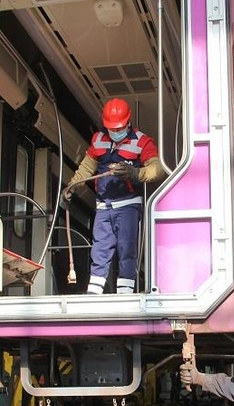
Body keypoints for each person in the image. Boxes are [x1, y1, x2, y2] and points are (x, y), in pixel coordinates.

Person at [65, 98, 164, 294]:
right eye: (111, 128)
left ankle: (125, 293)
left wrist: (136, 174)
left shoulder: (142, 141)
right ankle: (94, 292)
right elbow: (87, 167)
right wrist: (72, 186)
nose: (115, 132)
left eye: (118, 128)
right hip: (103, 206)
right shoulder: (98, 139)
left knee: (127, 249)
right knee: (100, 249)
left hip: (128, 205)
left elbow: (157, 168)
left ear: (128, 123)